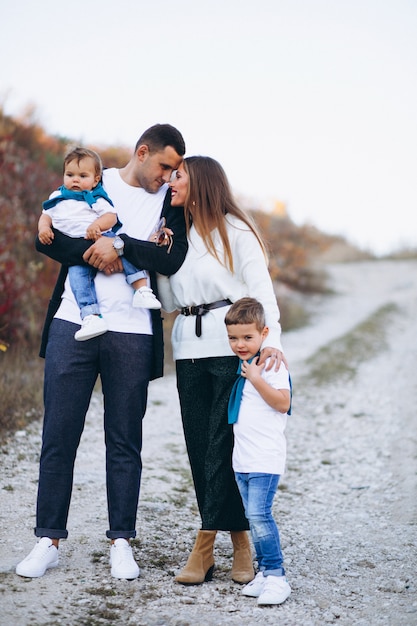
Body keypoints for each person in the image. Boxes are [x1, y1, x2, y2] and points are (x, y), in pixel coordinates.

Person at [15, 124, 187, 580]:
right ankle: (47, 539)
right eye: (164, 166)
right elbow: (45, 236)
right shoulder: (92, 175)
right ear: (143, 152)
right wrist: (98, 249)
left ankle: (121, 543)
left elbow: (170, 259)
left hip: (133, 330)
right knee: (58, 434)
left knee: (124, 439)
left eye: (175, 170)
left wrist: (122, 245)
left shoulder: (169, 202)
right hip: (73, 323)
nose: (168, 176)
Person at [168, 156, 286, 585]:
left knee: (222, 445)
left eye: (178, 175)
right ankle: (239, 539)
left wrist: (271, 346)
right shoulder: (176, 235)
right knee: (200, 446)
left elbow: (261, 292)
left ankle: (205, 545)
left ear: (199, 182)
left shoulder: (236, 232)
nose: (170, 181)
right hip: (186, 347)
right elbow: (166, 298)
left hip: (229, 348)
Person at [38, 147, 163, 342]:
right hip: (78, 250)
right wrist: (43, 229)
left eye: (82, 175)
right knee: (78, 279)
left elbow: (111, 217)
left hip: (99, 236)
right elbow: (46, 216)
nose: (75, 180)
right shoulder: (58, 197)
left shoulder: (93, 196)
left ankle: (141, 288)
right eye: (69, 175)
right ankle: (91, 316)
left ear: (96, 180)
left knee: (124, 251)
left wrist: (97, 225)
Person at [224, 297, 292, 605]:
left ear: (264, 334)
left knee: (260, 515)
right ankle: (264, 572)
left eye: (247, 337)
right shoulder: (246, 364)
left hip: (265, 456)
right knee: (253, 518)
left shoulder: (270, 365)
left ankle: (277, 576)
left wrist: (256, 378)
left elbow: (282, 403)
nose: (240, 344)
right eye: (233, 338)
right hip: (244, 459)